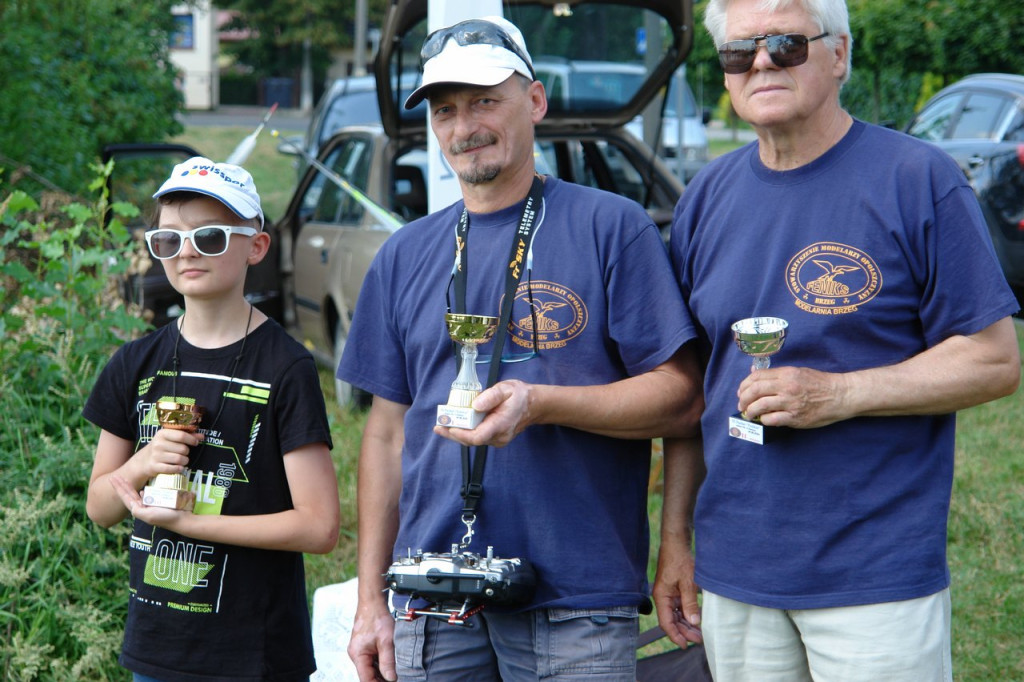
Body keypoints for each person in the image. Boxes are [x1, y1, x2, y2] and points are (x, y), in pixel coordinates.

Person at [654, 0, 1022, 680]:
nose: (761, 61)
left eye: (786, 44)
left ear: (840, 54)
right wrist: (675, 541)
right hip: (736, 572)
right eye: (740, 52)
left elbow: (996, 359)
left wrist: (841, 393)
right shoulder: (706, 196)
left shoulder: (918, 179)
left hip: (873, 574)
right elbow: (694, 391)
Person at [338, 15, 703, 682]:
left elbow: (681, 400)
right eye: (445, 110)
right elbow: (386, 437)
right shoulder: (403, 256)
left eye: (484, 101)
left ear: (534, 101)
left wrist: (541, 403)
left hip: (577, 600)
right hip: (432, 597)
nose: (463, 126)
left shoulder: (610, 227)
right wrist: (371, 601)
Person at [84, 157, 341, 681]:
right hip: (156, 652)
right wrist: (140, 465)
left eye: (211, 237)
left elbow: (319, 527)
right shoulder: (134, 363)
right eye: (169, 239)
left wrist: (192, 524)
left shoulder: (286, 367)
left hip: (255, 656)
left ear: (256, 246)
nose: (188, 252)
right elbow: (100, 507)